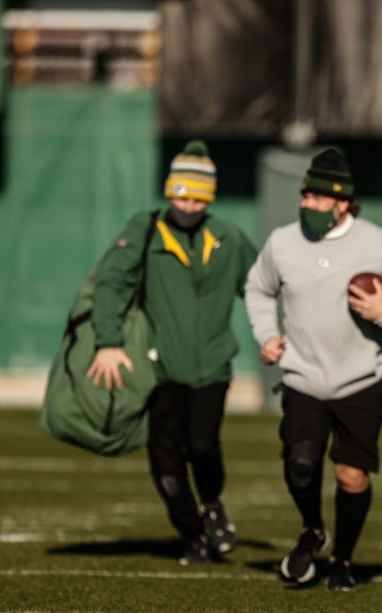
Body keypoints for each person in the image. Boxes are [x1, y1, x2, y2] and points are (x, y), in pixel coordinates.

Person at [245, 149, 382, 590]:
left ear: (342, 203)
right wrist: (267, 334)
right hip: (302, 375)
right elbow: (258, 289)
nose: (307, 204)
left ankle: (342, 558)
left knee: (351, 474)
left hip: (361, 379)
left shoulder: (378, 243)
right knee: (300, 462)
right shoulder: (283, 242)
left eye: (318, 198)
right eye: (305, 196)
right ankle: (312, 529)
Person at [86, 140, 258, 564]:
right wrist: (107, 343)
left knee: (201, 446)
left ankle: (213, 503)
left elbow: (260, 291)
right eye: (184, 193)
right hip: (158, 372)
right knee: (166, 470)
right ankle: (193, 534)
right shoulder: (144, 231)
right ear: (169, 191)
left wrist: (280, 334)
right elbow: (110, 286)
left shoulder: (229, 238)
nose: (192, 203)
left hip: (212, 368)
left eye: (201, 195)